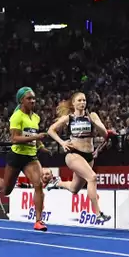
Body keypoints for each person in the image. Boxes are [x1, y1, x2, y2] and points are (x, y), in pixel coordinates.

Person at [0, 87, 50, 231]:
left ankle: (39, 221)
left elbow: (34, 134)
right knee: (5, 190)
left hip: (31, 156)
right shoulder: (17, 116)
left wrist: (41, 146)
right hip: (16, 156)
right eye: (29, 98)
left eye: (33, 98)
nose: (32, 101)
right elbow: (14, 139)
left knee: (38, 185)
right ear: (21, 100)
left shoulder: (36, 117)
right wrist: (36, 137)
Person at [45, 92, 112, 222]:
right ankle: (98, 214)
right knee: (92, 177)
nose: (82, 103)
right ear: (74, 103)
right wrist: (62, 142)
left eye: (84, 100)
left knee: (74, 188)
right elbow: (50, 130)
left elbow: (105, 134)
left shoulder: (92, 116)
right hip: (73, 154)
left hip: (88, 156)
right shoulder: (68, 118)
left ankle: (56, 183)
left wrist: (94, 123)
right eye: (79, 100)